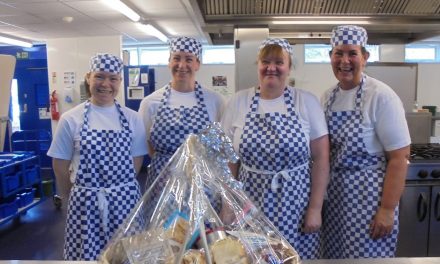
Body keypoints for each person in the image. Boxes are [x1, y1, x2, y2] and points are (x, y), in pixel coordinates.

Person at [220, 38, 330, 259]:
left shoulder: (306, 101)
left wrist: (315, 209)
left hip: (296, 204)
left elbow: (321, 158)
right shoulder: (239, 102)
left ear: (289, 67)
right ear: (258, 65)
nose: (272, 68)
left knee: (293, 258)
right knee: (252, 257)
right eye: (265, 61)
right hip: (250, 202)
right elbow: (228, 160)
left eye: (279, 62)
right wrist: (228, 204)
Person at [320, 25, 411, 258]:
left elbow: (400, 158)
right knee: (335, 257)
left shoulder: (381, 96)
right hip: (335, 197)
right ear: (331, 57)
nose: (345, 61)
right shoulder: (327, 97)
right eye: (338, 53)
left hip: (369, 199)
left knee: (367, 258)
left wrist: (387, 210)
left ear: (365, 57)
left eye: (352, 53)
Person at [47, 53, 148, 260]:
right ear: (88, 77)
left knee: (125, 256)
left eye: (113, 78)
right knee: (87, 256)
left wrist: (118, 187)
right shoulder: (70, 119)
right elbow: (60, 165)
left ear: (120, 81)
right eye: (99, 76)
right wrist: (73, 197)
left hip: (125, 202)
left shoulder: (133, 118)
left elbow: (136, 161)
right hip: (86, 204)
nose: (105, 84)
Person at [138, 36, 225, 189]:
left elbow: (222, 144)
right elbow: (145, 142)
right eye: (176, 58)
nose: (182, 65)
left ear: (197, 64)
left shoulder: (215, 100)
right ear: (169, 62)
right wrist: (168, 162)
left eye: (189, 59)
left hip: (203, 184)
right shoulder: (150, 102)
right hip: (162, 182)